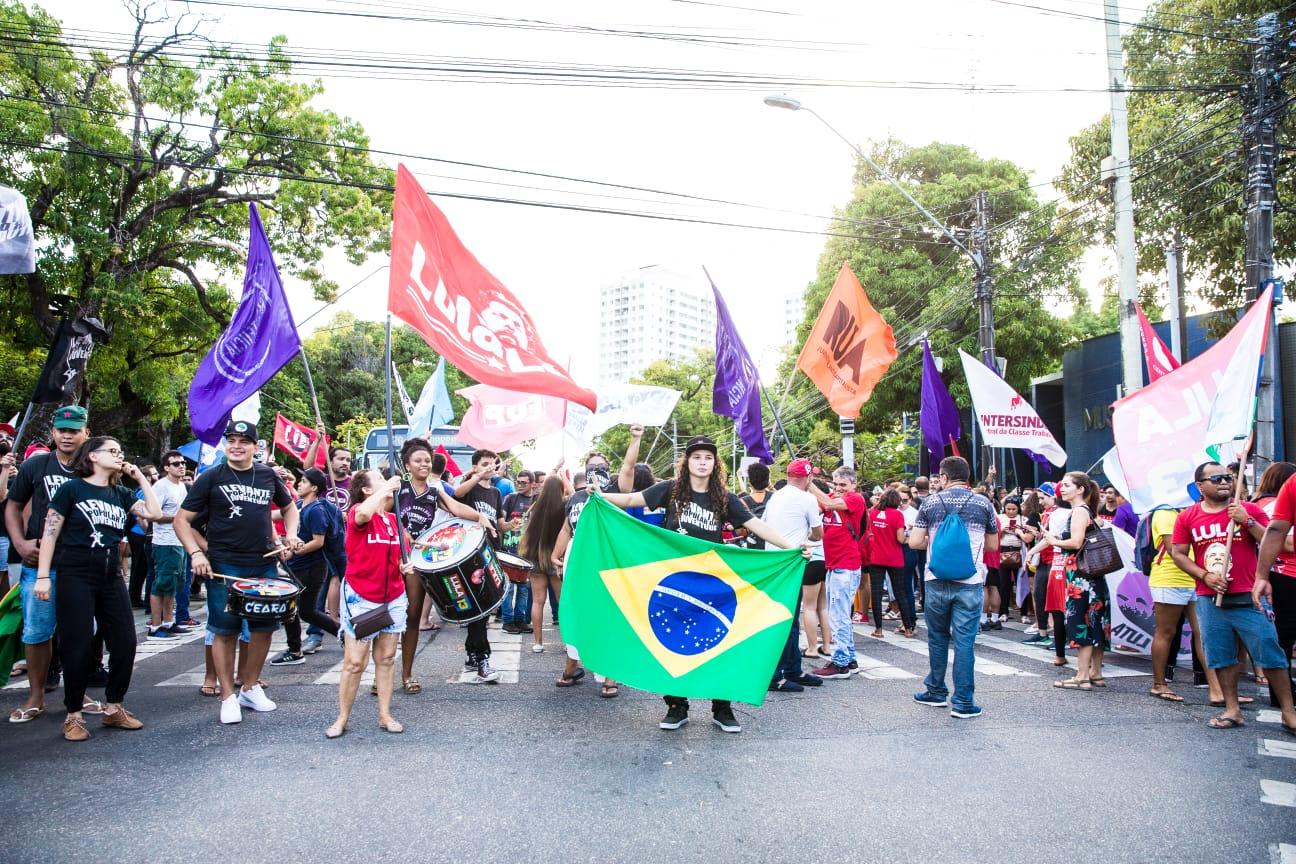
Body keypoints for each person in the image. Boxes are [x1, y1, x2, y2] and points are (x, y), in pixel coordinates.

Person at [598, 435, 807, 734]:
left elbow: (755, 525)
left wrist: (791, 548)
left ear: (714, 463)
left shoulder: (723, 497)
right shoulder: (670, 490)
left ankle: (722, 707)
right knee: (672, 644)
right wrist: (600, 497)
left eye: (708, 458)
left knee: (719, 643)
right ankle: (676, 705)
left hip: (712, 584)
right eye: (697, 457)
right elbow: (633, 499)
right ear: (687, 462)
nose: (702, 462)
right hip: (673, 582)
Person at [174, 419, 302, 725]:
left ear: (255, 447)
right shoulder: (211, 477)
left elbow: (290, 508)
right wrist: (195, 553)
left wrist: (292, 535)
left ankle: (250, 686)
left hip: (263, 562)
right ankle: (227, 696)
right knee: (225, 629)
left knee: (263, 628)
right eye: (231, 440)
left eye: (243, 441)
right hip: (223, 565)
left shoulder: (268, 475)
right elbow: (181, 520)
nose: (236, 445)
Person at [36, 436, 161, 741]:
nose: (120, 456)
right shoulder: (72, 489)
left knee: (125, 641)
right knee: (76, 644)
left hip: (111, 572)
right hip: (75, 570)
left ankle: (114, 706)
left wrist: (140, 476)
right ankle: (74, 714)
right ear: (92, 455)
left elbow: (154, 514)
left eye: (121, 451)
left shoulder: (120, 492)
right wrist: (43, 576)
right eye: (113, 451)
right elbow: (50, 533)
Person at [1173, 461, 1296, 733]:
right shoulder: (1187, 517)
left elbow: (1274, 541)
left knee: (1271, 651)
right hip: (1210, 597)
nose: (1225, 482)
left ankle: (1289, 712)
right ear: (1200, 486)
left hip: (1250, 595)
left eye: (1228, 477)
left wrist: (1247, 521)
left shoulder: (1249, 509)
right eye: (1216, 478)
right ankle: (1232, 709)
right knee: (1221, 655)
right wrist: (1204, 575)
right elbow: (1178, 553)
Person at [6, 405, 95, 724]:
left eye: (73, 430)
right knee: (37, 632)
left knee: (82, 632)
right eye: (61, 430)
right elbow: (13, 505)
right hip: (41, 564)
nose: (67, 435)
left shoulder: (95, 467)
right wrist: (19, 543)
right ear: (53, 432)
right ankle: (36, 696)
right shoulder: (37, 465)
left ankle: (78, 692)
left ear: (87, 433)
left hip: (82, 566)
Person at [395, 439, 496, 690]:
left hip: (417, 561)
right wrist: (400, 531)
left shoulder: (434, 491)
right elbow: (381, 515)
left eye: (427, 460)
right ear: (407, 464)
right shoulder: (398, 489)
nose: (424, 464)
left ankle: (406, 675)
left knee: (412, 617)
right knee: (388, 618)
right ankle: (380, 674)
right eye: (418, 460)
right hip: (393, 559)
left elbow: (456, 506)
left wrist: (479, 516)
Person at [908, 456, 999, 719]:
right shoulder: (984, 504)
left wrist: (940, 544)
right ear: (967, 476)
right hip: (970, 583)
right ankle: (963, 701)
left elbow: (914, 542)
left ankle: (936, 691)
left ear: (944, 477)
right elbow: (992, 546)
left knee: (937, 638)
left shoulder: (930, 502)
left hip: (934, 580)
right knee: (965, 642)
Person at [328, 469, 412, 738]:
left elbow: (401, 556)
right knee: (355, 662)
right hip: (361, 596)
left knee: (386, 658)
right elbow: (364, 514)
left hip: (394, 597)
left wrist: (404, 566)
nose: (386, 480)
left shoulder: (393, 521)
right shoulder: (357, 513)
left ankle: (385, 715)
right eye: (377, 478)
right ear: (366, 490)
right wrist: (386, 487)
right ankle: (342, 718)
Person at [760, 460, 825, 692]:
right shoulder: (807, 498)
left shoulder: (775, 496)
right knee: (786, 619)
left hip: (774, 563)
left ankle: (792, 669)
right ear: (807, 478)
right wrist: (809, 535)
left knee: (789, 618)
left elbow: (764, 525)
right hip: (792, 562)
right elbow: (818, 533)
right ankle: (776, 675)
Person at [1146, 502, 1218, 704]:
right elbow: (1173, 549)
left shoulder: (1196, 509)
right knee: (1166, 632)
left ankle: (1217, 688)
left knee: (1203, 633)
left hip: (1198, 580)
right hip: (1170, 579)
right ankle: (1159, 684)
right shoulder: (1164, 511)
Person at [452, 449, 510, 684]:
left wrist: (511, 524)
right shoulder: (469, 485)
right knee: (479, 608)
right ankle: (482, 658)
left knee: (482, 609)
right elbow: (456, 493)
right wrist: (475, 476)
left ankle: (472, 653)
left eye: (493, 464)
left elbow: (499, 523)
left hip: (490, 551)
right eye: (485, 463)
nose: (490, 467)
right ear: (475, 466)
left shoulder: (496, 492)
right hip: (469, 553)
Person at [273, 468, 341, 666]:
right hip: (297, 565)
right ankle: (346, 635)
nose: (298, 484)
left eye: (303, 481)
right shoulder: (300, 504)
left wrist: (293, 551)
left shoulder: (317, 510)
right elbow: (278, 514)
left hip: (311, 567)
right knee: (307, 611)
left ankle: (295, 651)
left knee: (291, 608)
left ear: (313, 487)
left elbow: (318, 542)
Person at [1047, 472, 1108, 690]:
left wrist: (1054, 540)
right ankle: (1096, 673)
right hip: (1092, 576)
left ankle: (1082, 675)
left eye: (1066, 485)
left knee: (1081, 622)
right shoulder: (1087, 510)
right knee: (1096, 623)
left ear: (1080, 489)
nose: (1061, 489)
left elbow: (1076, 542)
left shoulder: (1079, 511)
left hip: (1081, 577)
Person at [810, 467, 872, 678]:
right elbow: (818, 509)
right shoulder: (831, 497)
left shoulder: (855, 499)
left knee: (838, 616)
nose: (838, 489)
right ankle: (850, 659)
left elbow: (826, 504)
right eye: (835, 484)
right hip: (834, 565)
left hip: (846, 565)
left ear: (853, 484)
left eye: (843, 485)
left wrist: (809, 483)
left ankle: (841, 662)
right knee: (840, 614)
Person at [1254, 466, 1296, 713]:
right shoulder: (1290, 486)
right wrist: (1262, 575)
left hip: (1283, 575)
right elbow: (1280, 534)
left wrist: (1261, 575)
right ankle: (1281, 696)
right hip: (1286, 575)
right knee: (1282, 637)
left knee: (1282, 637)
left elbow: (1278, 531)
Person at [147, 451, 190, 641]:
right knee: (161, 585)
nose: (181, 466)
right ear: (166, 467)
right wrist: (178, 518)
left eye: (183, 463)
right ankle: (155, 626)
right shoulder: (161, 486)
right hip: (165, 543)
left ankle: (169, 622)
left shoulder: (181, 486)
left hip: (179, 541)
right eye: (176, 463)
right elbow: (153, 514)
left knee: (174, 585)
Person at [862, 487, 914, 641]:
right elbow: (900, 539)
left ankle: (878, 629)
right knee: (900, 592)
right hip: (894, 558)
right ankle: (908, 628)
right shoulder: (897, 515)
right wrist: (909, 536)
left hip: (876, 557)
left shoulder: (873, 513)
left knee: (877, 593)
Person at [500, 469, 536, 634]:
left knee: (524, 587)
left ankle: (520, 620)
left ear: (532, 484)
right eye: (518, 482)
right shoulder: (510, 498)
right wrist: (510, 525)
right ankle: (507, 621)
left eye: (524, 483)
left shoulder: (537, 500)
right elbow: (501, 524)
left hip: (528, 550)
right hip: (509, 549)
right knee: (508, 587)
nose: (520, 485)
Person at [988, 496, 1026, 629]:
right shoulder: (999, 518)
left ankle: (1024, 613)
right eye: (1008, 509)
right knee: (1003, 584)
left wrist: (1019, 531)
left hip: (1018, 553)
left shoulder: (1023, 519)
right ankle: (1003, 611)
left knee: (1022, 584)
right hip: (1002, 553)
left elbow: (1027, 538)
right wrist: (1002, 531)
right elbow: (993, 533)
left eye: (1014, 509)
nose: (1011, 512)